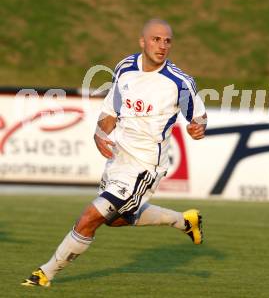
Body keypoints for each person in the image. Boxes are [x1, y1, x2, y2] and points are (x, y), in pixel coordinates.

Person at [22, 19, 207, 287]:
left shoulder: (179, 82)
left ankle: (44, 274)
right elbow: (111, 110)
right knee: (117, 220)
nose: (162, 45)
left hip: (145, 166)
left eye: (167, 41)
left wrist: (197, 128)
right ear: (142, 42)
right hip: (118, 159)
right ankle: (183, 220)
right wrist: (99, 134)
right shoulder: (125, 68)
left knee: (90, 218)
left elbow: (199, 117)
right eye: (156, 39)